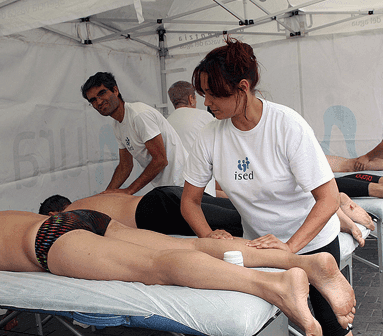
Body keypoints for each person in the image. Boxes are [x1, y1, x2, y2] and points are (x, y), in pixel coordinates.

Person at [0, 210, 355, 336]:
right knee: (185, 244)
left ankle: (275, 285)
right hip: (77, 219)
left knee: (153, 269)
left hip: (47, 241)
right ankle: (301, 262)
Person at [180, 37, 351, 336]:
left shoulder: (287, 125)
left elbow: (328, 198)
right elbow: (189, 201)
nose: (206, 103)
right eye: (203, 94)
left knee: (333, 328)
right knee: (281, 325)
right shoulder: (209, 136)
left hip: (313, 244)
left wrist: (289, 249)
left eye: (213, 95)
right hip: (257, 249)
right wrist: (208, 236)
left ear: (243, 88)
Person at [81, 72, 188, 195]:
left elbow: (160, 160)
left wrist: (129, 190)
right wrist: (107, 194)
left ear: (115, 90)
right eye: (93, 100)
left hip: (184, 184)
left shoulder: (139, 115)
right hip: (168, 189)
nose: (99, 102)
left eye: (102, 93)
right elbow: (125, 165)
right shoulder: (117, 125)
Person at [38, 186, 243, 237]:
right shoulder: (92, 199)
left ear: (52, 215)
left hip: (155, 210)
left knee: (239, 223)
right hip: (161, 195)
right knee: (242, 212)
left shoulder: (71, 215)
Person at [167, 81, 217, 196]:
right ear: (191, 98)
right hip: (202, 186)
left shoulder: (167, 122)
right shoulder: (204, 116)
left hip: (174, 187)